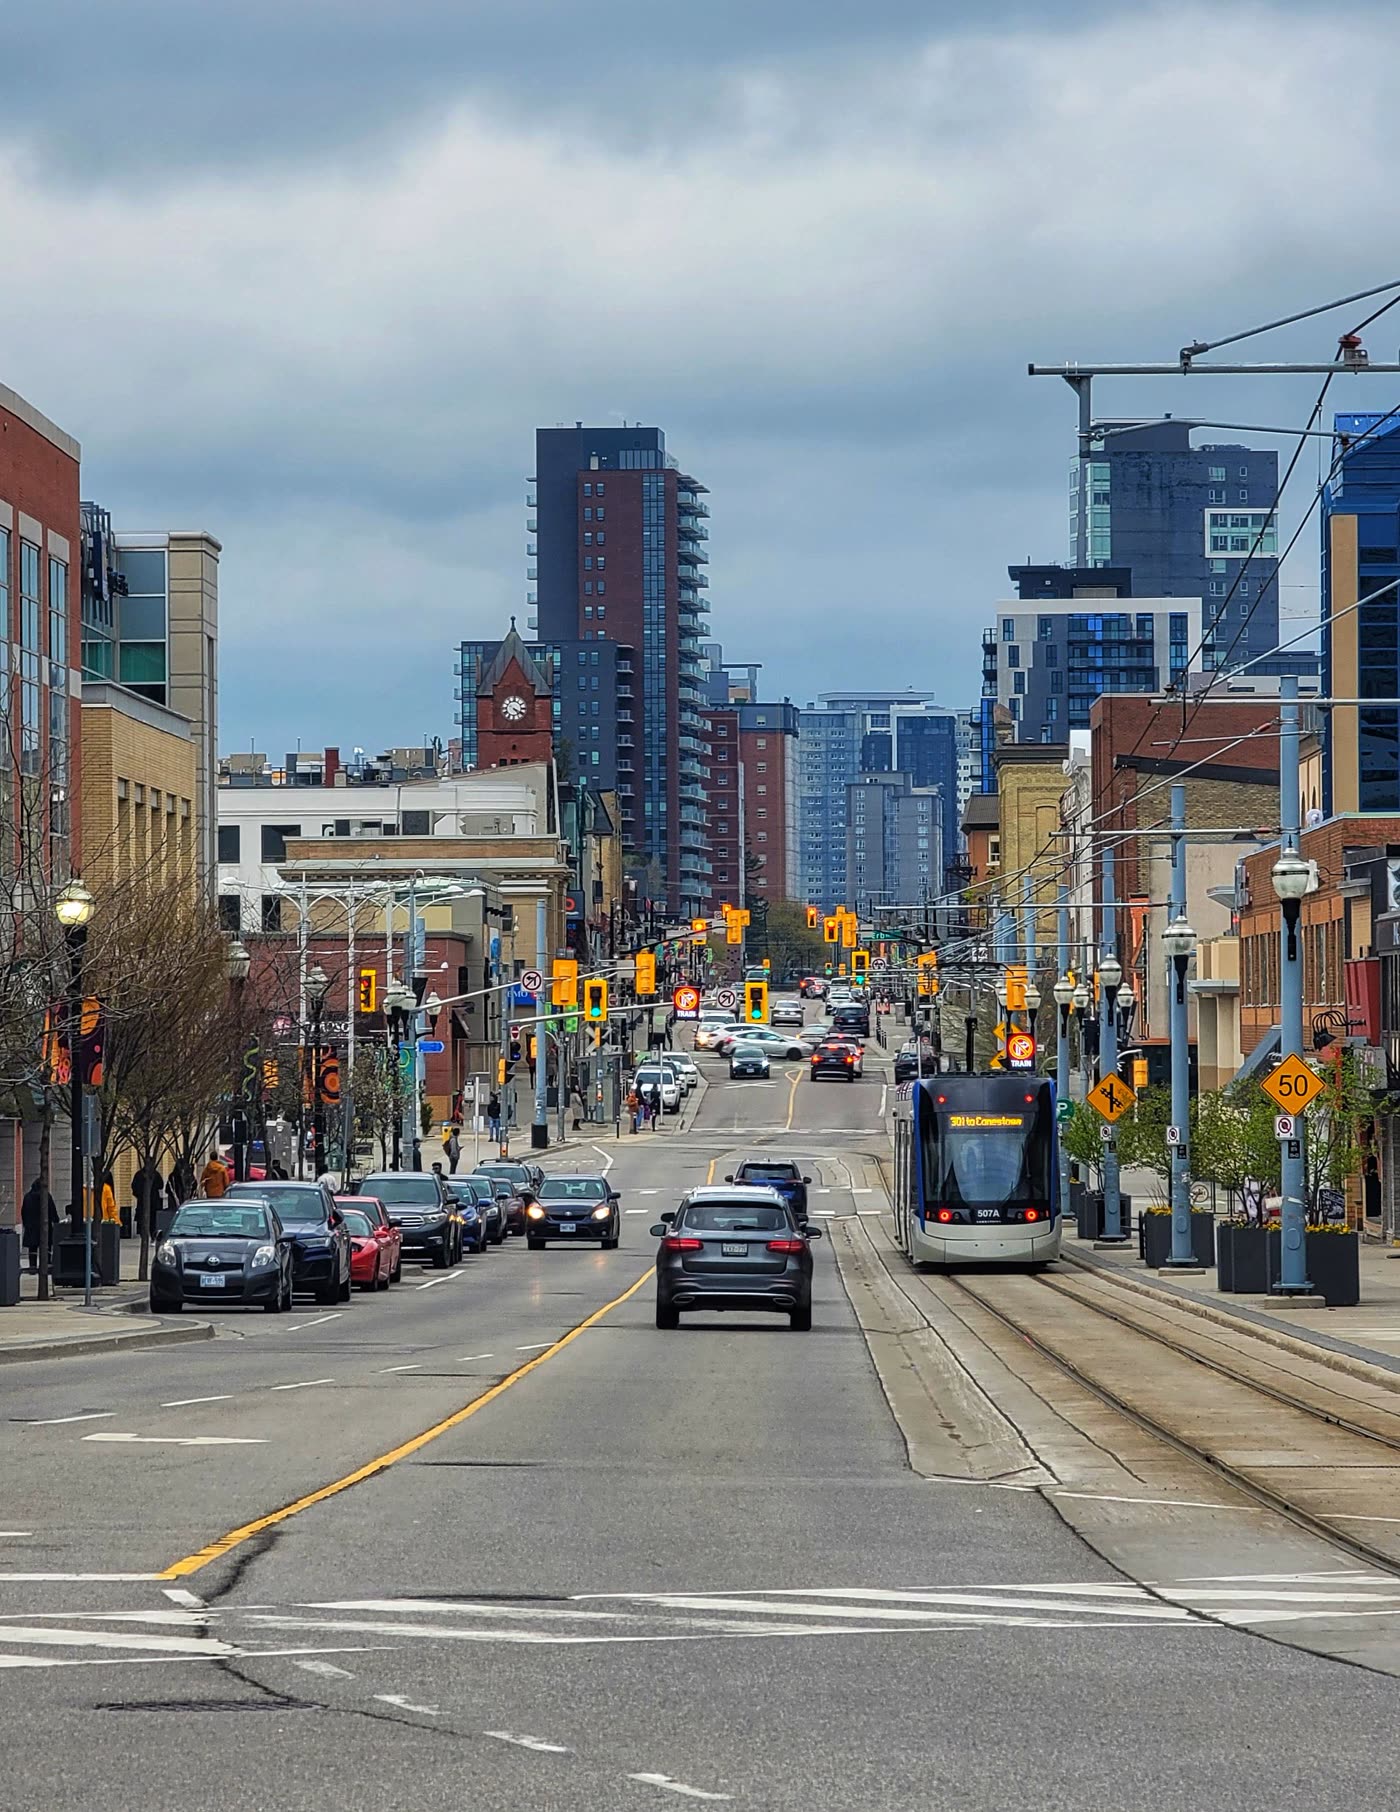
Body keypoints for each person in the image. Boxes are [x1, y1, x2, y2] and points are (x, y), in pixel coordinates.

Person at [20, 1178, 56, 1274]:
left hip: (31, 1228)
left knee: (32, 1248)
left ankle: (32, 1266)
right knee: (46, 1247)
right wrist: (56, 1220)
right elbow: (52, 1211)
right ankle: (46, 1265)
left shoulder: (27, 1197)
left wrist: (26, 1224)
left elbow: (23, 1212)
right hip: (45, 1227)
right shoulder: (46, 1196)